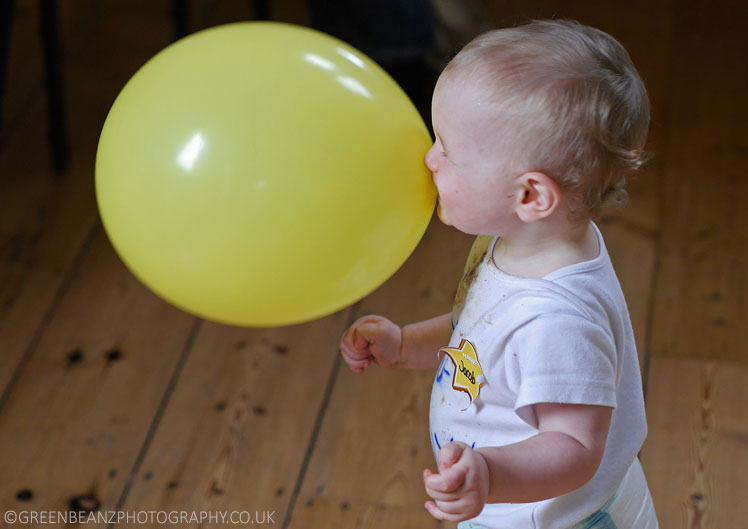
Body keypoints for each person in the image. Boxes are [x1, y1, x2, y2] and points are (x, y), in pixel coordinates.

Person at [339, 19, 659, 529]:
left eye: (447, 149)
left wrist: (489, 475)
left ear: (530, 195)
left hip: (558, 518)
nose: (429, 158)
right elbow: (483, 336)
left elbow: (574, 445)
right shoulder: (522, 244)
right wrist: (405, 344)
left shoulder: (557, 320)